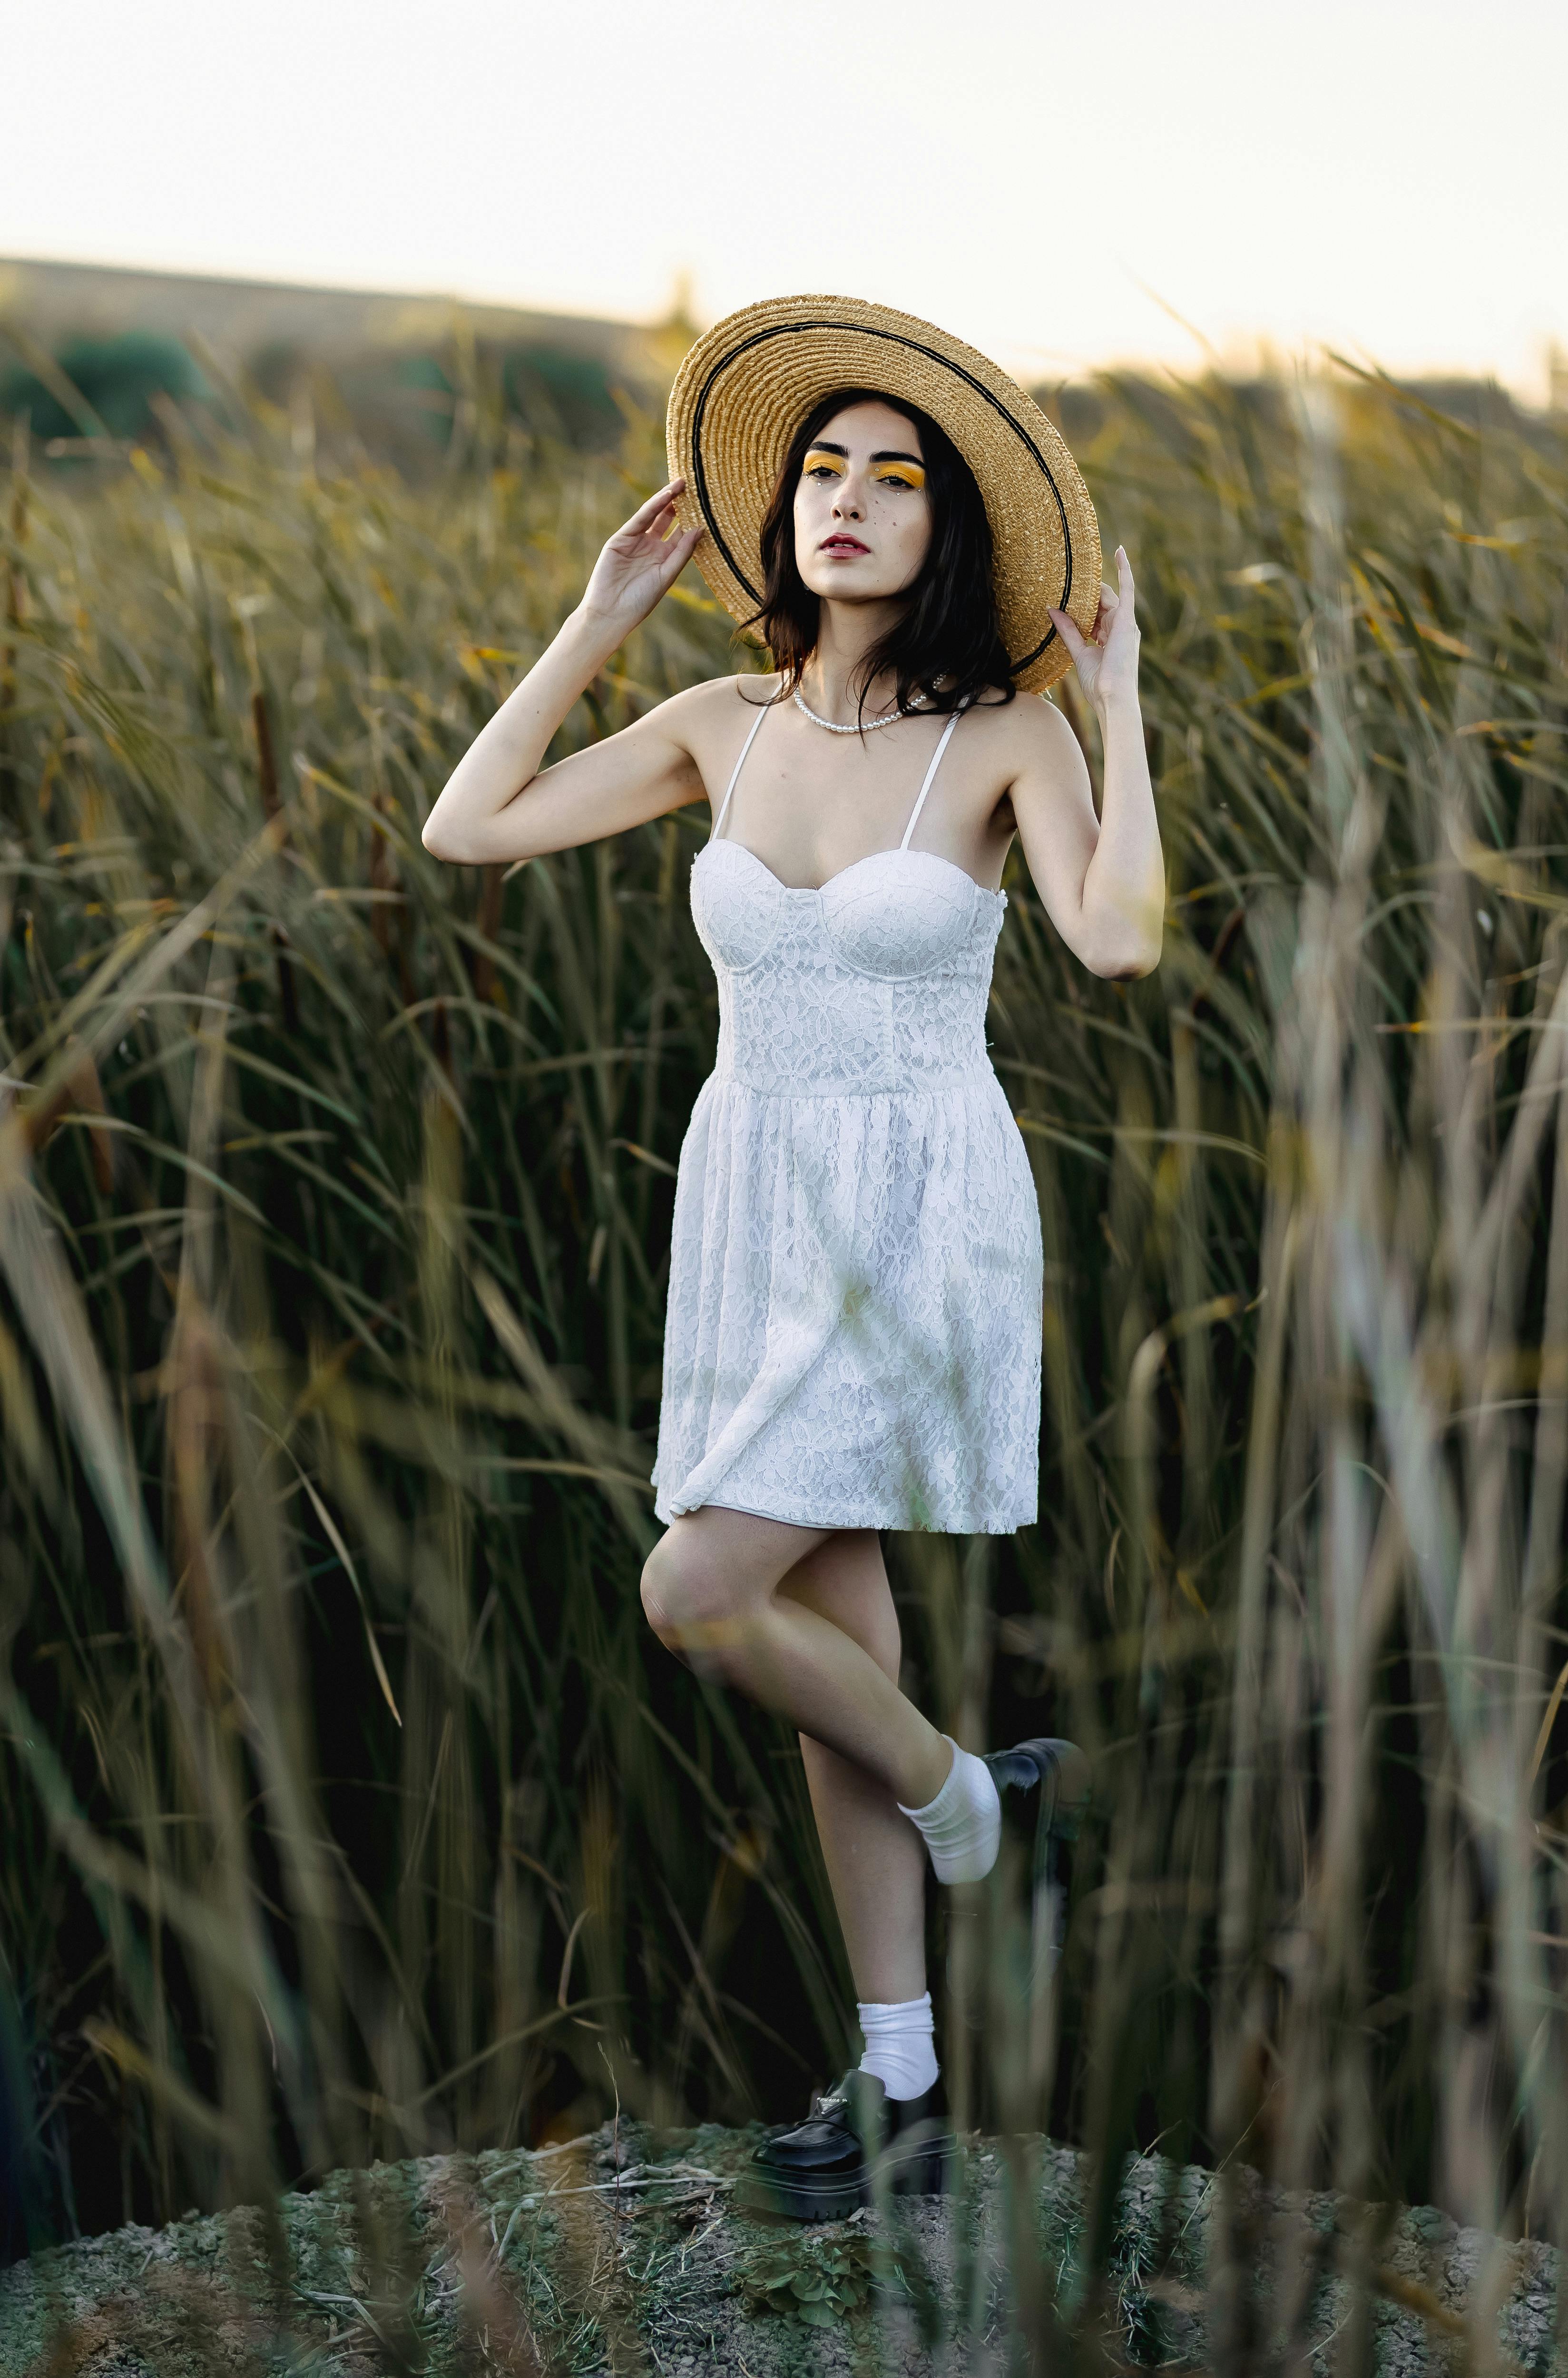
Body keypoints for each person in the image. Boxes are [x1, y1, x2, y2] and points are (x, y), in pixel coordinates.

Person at [421, 295, 1165, 2217]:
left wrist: (1120, 705)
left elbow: (1117, 941)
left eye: (891, 478)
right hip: (749, 1199)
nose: (844, 500)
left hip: (914, 1212)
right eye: (821, 468)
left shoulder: (1002, 736)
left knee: (694, 1590)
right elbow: (467, 822)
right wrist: (596, 617)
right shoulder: (712, 726)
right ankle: (903, 2080)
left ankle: (975, 1801)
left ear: (945, 538)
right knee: (829, 1633)